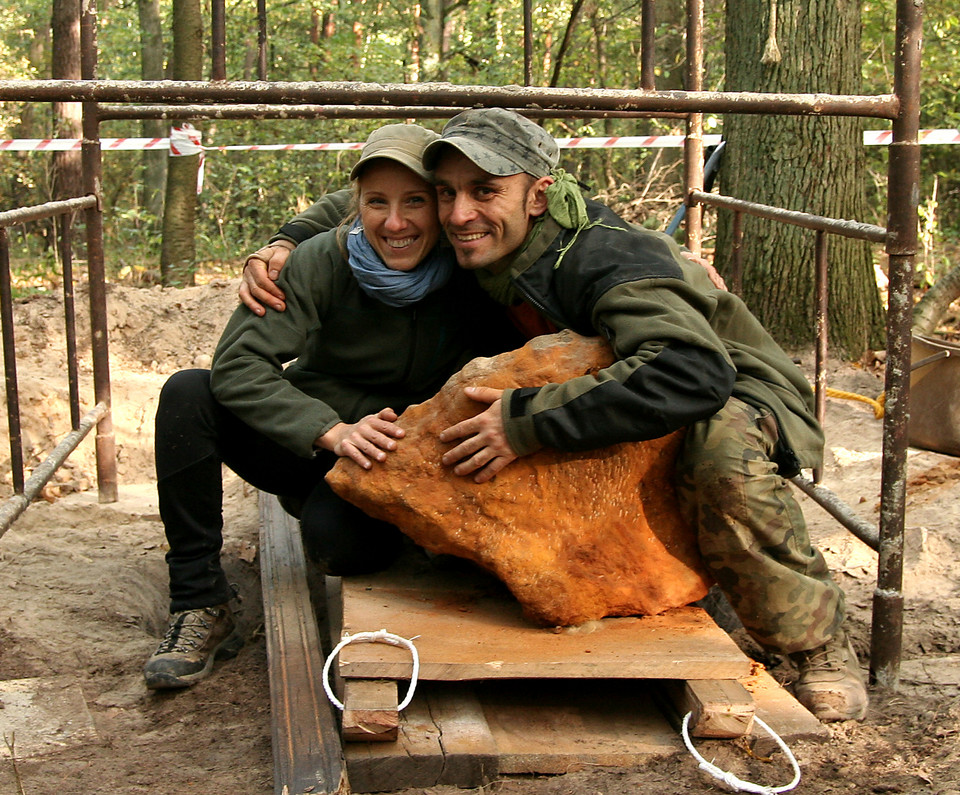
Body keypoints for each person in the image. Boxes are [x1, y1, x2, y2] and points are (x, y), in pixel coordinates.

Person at [240, 108, 868, 723]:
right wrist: (287, 239)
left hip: (732, 386)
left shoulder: (602, 259)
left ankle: (815, 645)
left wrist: (526, 420)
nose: (459, 214)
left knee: (720, 451)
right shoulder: (504, 235)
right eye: (447, 194)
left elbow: (690, 371)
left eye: (485, 192)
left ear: (537, 196)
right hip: (620, 383)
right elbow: (373, 197)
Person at [143, 123, 518, 690]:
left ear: (442, 206)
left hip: (393, 458)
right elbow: (239, 367)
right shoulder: (322, 259)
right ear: (356, 207)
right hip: (314, 437)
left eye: (415, 201)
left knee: (341, 550)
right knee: (187, 393)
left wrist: (672, 265)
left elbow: (563, 218)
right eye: (377, 203)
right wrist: (329, 430)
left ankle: (338, 512)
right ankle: (199, 603)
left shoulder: (478, 269)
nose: (395, 223)